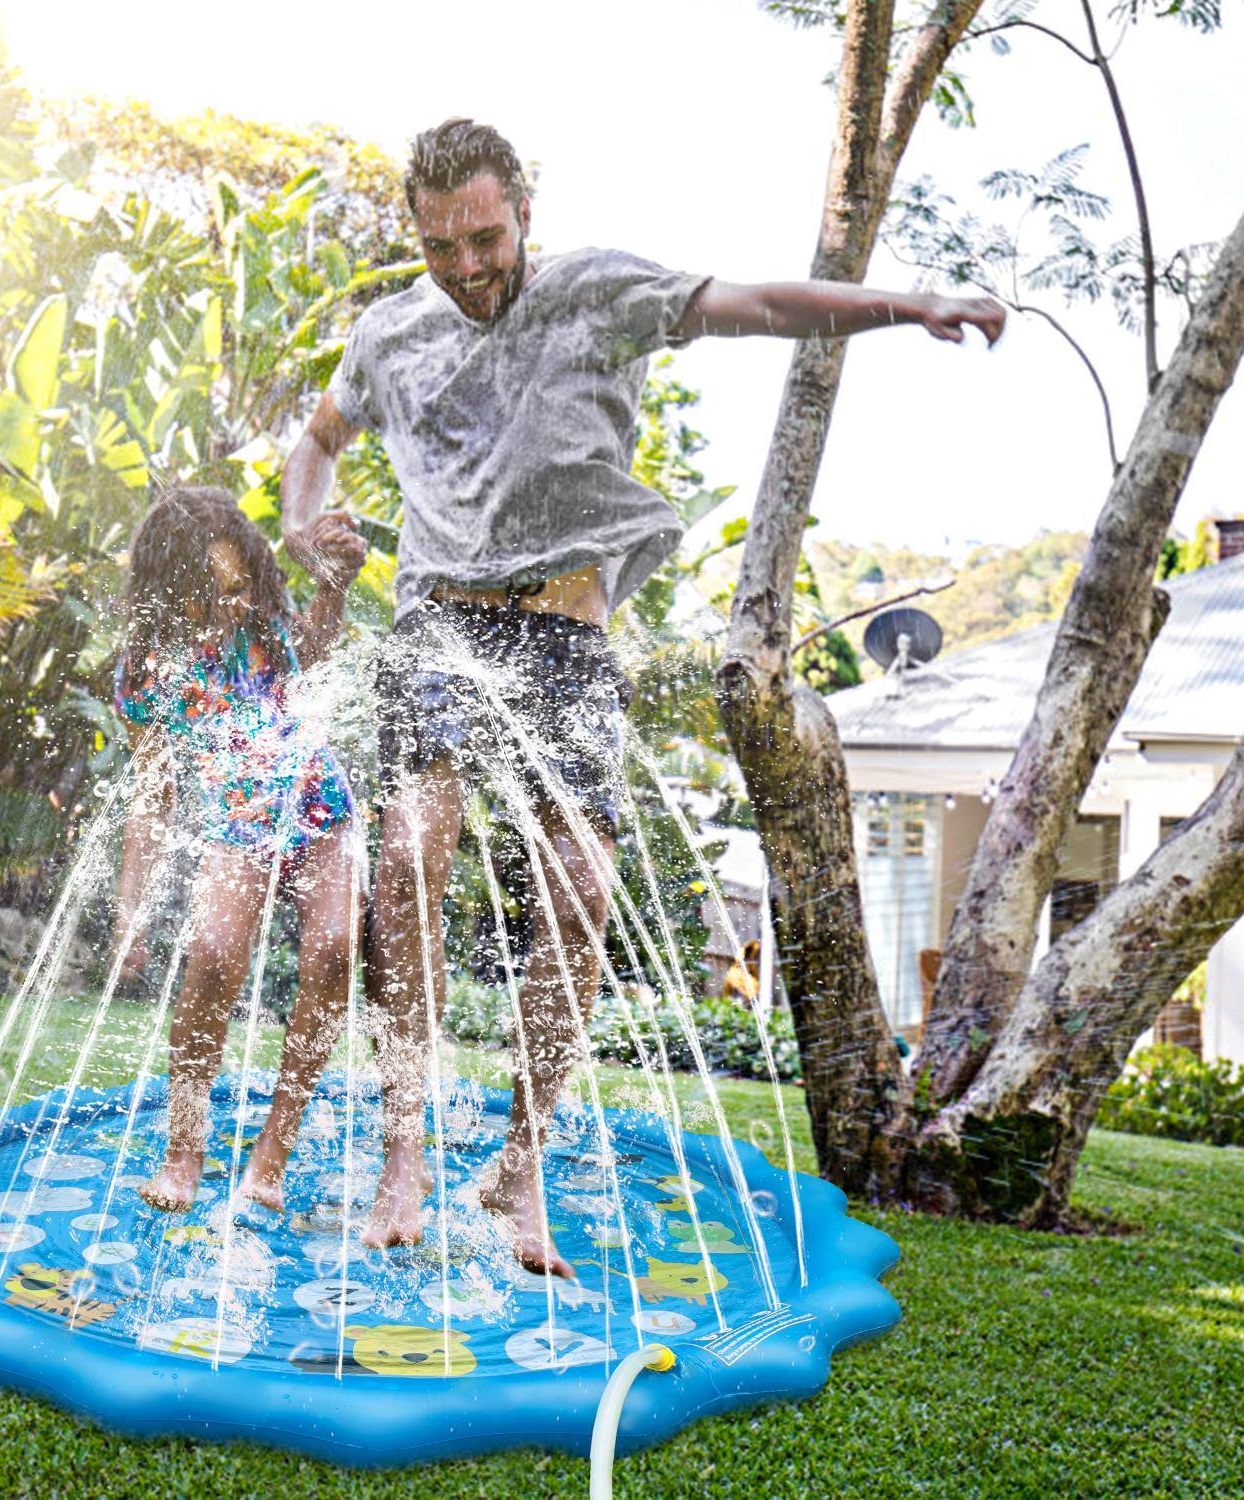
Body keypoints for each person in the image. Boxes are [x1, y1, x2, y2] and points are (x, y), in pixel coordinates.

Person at [281, 118, 1006, 1276]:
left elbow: (758, 305)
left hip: (565, 638)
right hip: (439, 626)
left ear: (524, 210)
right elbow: (315, 442)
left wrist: (906, 304)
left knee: (579, 892)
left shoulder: (595, 293)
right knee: (412, 854)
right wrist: (301, 525)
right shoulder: (390, 334)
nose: (466, 267)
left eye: (484, 237)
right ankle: (403, 1149)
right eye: (439, 246)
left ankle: (518, 1169)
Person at [112, 485, 367, 1214]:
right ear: (171, 588)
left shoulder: (264, 623)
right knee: (215, 955)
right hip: (239, 824)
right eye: (214, 592)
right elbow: (153, 793)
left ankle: (271, 1155)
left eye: (240, 585)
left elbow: (315, 658)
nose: (234, 603)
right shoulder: (146, 669)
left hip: (321, 806)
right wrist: (131, 910)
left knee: (334, 950)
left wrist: (333, 585)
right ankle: (183, 1152)